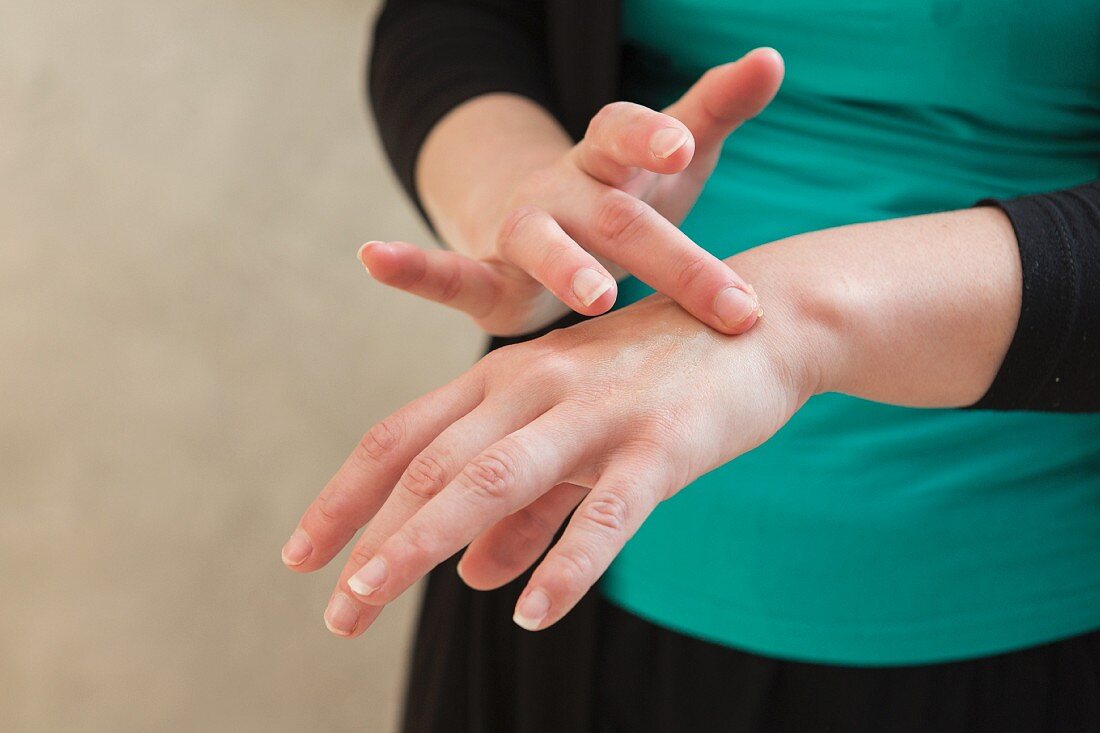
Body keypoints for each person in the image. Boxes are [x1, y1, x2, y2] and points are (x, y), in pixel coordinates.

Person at [284, 1, 1100, 730]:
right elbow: (467, 19)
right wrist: (526, 205)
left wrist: (792, 319)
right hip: (564, 562)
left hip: (1016, 623)